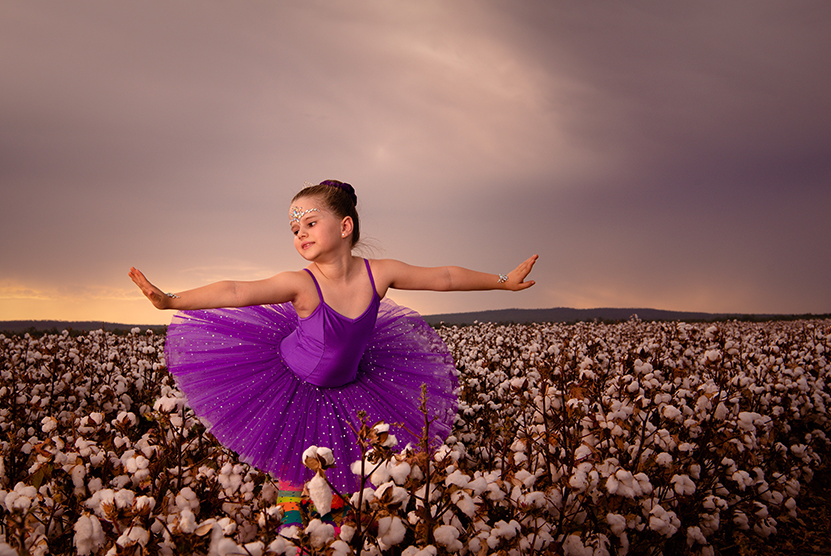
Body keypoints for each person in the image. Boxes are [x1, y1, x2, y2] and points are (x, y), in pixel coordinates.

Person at [130, 180, 538, 524]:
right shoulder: (302, 283)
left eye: (309, 223)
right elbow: (236, 291)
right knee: (293, 463)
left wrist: (503, 280)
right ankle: (292, 537)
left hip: (352, 386)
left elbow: (444, 277)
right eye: (294, 229)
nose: (300, 234)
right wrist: (169, 299)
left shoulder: (380, 273)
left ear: (345, 226)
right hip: (291, 383)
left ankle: (335, 538)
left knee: (344, 466)